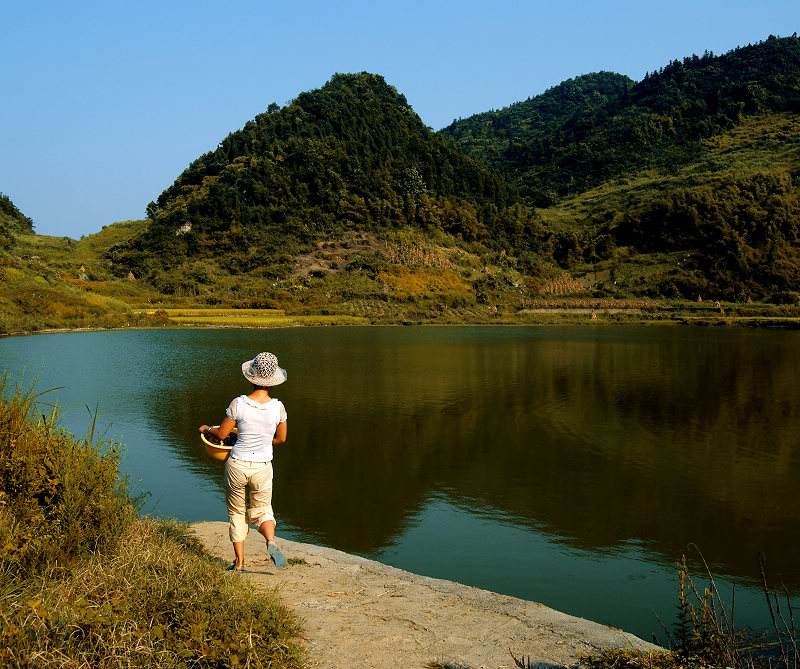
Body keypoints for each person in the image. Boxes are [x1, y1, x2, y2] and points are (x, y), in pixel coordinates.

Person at [199, 352, 289, 573]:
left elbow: (222, 435)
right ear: (273, 381)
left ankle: (239, 564)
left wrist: (206, 429)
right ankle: (271, 542)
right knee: (262, 510)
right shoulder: (278, 407)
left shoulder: (239, 403)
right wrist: (262, 440)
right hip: (262, 466)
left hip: (237, 463)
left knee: (237, 511)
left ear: (251, 377)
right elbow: (281, 439)